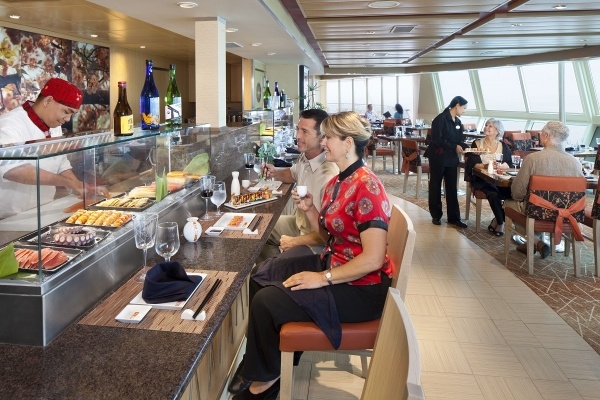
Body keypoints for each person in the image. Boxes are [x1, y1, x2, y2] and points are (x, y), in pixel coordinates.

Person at [229, 111, 392, 400]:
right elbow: (329, 236)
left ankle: (265, 381)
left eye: (329, 137)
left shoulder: (367, 186)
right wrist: (310, 209)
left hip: (362, 289)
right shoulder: (339, 181)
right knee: (262, 276)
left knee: (266, 301)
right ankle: (268, 361)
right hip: (336, 264)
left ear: (348, 143)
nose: (323, 142)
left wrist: (321, 278)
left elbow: (373, 259)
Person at [0, 78, 108, 219]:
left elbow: (60, 163)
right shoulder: (10, 124)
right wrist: (69, 183)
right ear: (48, 101)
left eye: (71, 114)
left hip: (44, 210)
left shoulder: (54, 125)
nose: (67, 119)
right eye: (66, 112)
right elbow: (13, 170)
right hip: (10, 217)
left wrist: (80, 187)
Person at [260, 109, 339, 263]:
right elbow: (292, 173)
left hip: (318, 243)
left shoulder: (329, 175)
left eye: (305, 132)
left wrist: (294, 242)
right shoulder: (305, 157)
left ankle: (277, 268)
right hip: (300, 225)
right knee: (263, 226)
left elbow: (329, 234)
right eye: (298, 129)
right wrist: (274, 172)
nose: (297, 136)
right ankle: (273, 267)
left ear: (322, 137)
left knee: (274, 265)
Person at [504, 121, 584, 258]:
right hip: (567, 214)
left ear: (546, 136)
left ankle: (536, 241)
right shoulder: (576, 163)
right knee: (533, 205)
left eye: (541, 133)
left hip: (537, 212)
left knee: (509, 204)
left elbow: (517, 193)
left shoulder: (532, 159)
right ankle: (534, 242)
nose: (539, 135)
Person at [424, 95, 469, 227]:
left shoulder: (458, 122)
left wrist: (468, 148)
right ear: (457, 105)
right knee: (435, 186)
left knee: (452, 187)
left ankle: (454, 217)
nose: (464, 111)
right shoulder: (440, 119)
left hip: (451, 158)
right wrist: (454, 146)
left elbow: (459, 140)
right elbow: (437, 140)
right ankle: (436, 215)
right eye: (464, 108)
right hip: (438, 157)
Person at [464, 118, 514, 236]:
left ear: (497, 131)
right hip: (481, 178)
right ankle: (501, 222)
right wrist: (489, 165)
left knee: (512, 192)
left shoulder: (503, 146)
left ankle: (496, 218)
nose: (486, 127)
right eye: (486, 125)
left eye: (490, 126)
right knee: (493, 193)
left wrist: (503, 165)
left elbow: (509, 163)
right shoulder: (477, 144)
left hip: (499, 179)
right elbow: (473, 163)